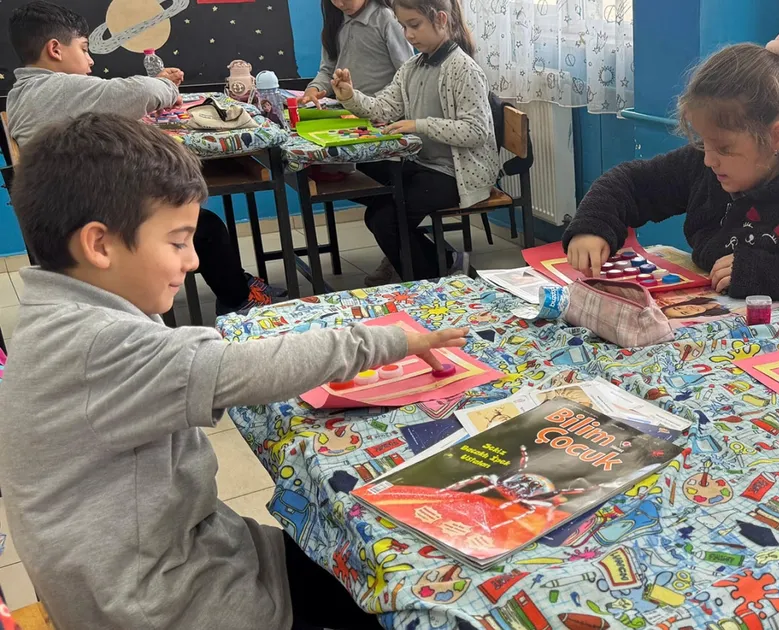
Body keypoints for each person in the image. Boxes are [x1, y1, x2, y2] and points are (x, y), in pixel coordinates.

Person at [0, 113, 469, 629]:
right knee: (405, 588)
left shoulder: (61, 314)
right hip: (164, 605)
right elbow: (252, 367)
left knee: (365, 566)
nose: (193, 261)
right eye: (178, 241)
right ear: (99, 245)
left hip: (171, 557)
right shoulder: (98, 346)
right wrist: (393, 339)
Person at [562, 17, 779, 315]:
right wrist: (594, 225)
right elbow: (632, 183)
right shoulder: (708, 164)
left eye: (724, 148)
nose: (708, 159)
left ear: (776, 137)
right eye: (704, 142)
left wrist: (760, 273)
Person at [5, 1, 285, 316]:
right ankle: (239, 300)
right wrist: (164, 84)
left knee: (193, 216)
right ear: (55, 49)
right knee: (204, 226)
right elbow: (143, 93)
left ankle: (239, 287)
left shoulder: (23, 93)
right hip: (90, 223)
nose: (91, 59)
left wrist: (158, 82)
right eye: (84, 49)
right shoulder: (56, 88)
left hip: (70, 214)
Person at [331, 0, 498, 285]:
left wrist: (419, 125)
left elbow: (475, 131)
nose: (408, 35)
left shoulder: (463, 69)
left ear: (441, 19)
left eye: (415, 25)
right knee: (376, 209)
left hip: (457, 174)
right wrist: (350, 96)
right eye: (403, 26)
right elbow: (383, 108)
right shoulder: (412, 67)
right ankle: (445, 265)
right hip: (423, 165)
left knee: (385, 220)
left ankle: (430, 280)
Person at [299, 0, 413, 108]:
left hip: (381, 110)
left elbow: (406, 74)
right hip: (346, 110)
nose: (340, 4)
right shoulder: (335, 21)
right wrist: (314, 89)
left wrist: (375, 103)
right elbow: (328, 71)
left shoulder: (388, 19)